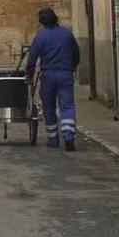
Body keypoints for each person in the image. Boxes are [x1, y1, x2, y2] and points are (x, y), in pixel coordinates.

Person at [25, 8, 80, 151]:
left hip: (48, 76)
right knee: (67, 106)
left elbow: (32, 58)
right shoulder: (67, 34)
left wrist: (29, 74)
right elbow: (76, 52)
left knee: (48, 107)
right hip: (65, 74)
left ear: (41, 21)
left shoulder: (40, 37)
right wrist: (73, 66)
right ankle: (68, 136)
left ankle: (53, 138)